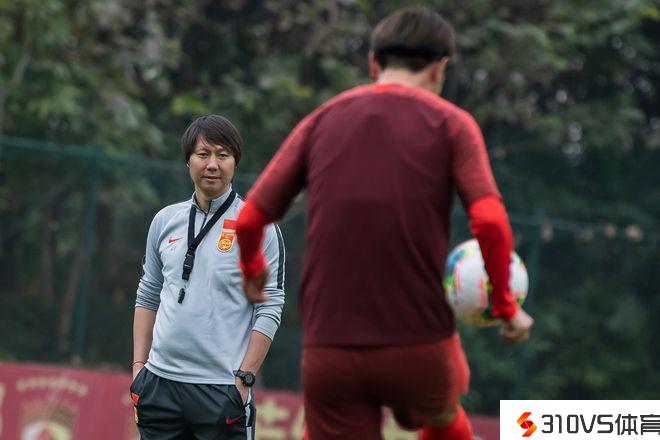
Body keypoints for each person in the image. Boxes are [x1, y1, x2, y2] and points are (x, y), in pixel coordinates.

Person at [235, 7, 533, 440]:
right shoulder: (453, 124)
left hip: (330, 346)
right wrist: (506, 307)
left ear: (374, 63)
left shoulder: (321, 120)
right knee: (443, 412)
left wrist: (251, 268)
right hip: (420, 342)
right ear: (439, 69)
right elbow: (489, 220)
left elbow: (249, 219)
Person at [131, 115, 286, 440]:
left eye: (222, 155)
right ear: (188, 161)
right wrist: (138, 369)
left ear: (234, 162)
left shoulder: (258, 228)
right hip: (159, 386)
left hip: (221, 390)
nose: (212, 164)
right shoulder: (165, 220)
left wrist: (244, 380)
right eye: (203, 154)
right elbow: (148, 293)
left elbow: (269, 306)